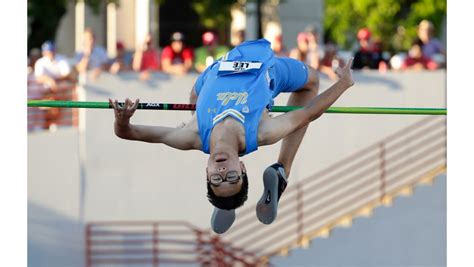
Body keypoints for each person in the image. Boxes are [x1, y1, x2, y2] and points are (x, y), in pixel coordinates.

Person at [110, 39, 354, 234]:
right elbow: (309, 112)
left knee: (195, 100)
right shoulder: (262, 133)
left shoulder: (190, 137)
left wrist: (123, 120)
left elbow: (128, 133)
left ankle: (246, 191)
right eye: (232, 177)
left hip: (217, 69)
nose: (223, 173)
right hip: (265, 65)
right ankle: (282, 171)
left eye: (217, 180)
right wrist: (344, 84)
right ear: (243, 167)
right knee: (311, 83)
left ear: (207, 172)